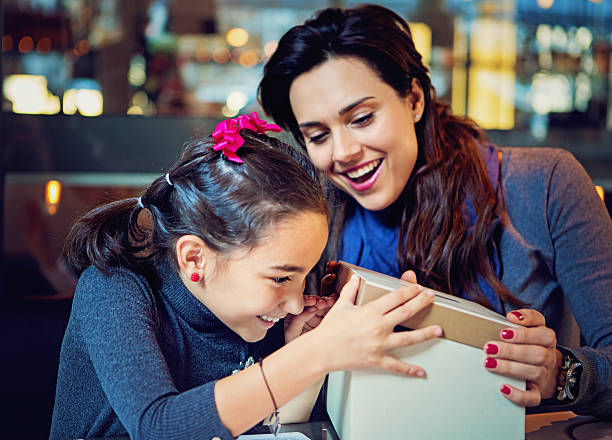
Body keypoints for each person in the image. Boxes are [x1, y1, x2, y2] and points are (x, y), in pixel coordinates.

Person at [259, 5, 612, 418]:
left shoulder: (544, 183)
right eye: (318, 136)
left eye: (361, 118)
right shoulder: (318, 213)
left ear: (413, 99)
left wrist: (560, 373)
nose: (343, 153)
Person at [49, 113, 443, 440]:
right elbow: (159, 428)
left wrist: (304, 352)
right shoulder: (115, 290)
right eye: (280, 278)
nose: (295, 300)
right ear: (194, 258)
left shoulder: (263, 314)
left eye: (304, 275)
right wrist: (315, 353)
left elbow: (276, 429)